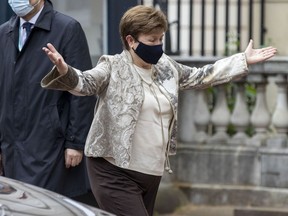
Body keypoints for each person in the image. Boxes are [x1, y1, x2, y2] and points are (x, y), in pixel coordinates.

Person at [41, 5, 277, 216]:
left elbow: (200, 76)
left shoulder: (166, 67)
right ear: (131, 40)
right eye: (152, 40)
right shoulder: (112, 66)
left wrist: (241, 60)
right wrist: (65, 70)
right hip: (112, 170)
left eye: (160, 39)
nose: (158, 46)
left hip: (150, 173)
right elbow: (85, 83)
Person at [0, 0, 97, 201]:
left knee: (43, 205)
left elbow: (82, 89)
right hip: (11, 147)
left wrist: (76, 142)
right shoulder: (4, 33)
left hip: (50, 144)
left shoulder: (67, 29)